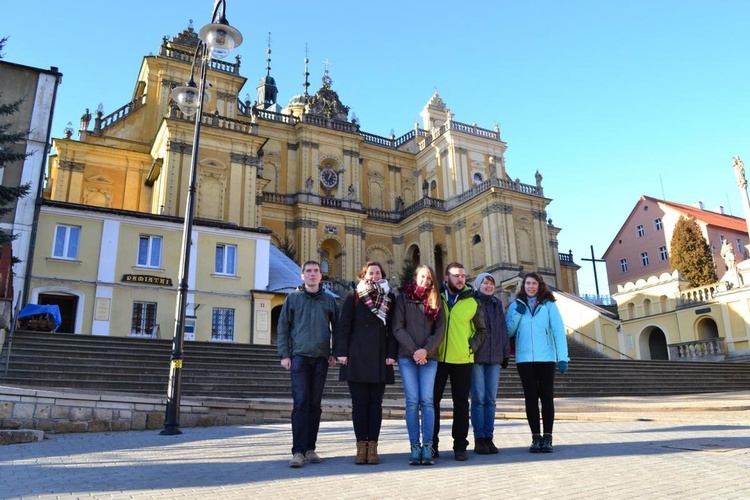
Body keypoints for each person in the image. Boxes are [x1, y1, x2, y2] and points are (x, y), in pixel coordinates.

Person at [334, 261, 398, 465]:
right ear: (364, 275)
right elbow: (343, 325)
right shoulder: (355, 295)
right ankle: (361, 447)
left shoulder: (390, 297)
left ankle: (373, 448)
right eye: (371, 273)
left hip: (380, 356)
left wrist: (391, 353)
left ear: (382, 275)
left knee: (376, 405)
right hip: (356, 355)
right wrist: (341, 352)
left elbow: (393, 328)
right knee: (359, 405)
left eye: (378, 272)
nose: (375, 275)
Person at [277, 261, 339, 468]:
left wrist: (335, 354)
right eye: (308, 271)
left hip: (321, 358)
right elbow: (283, 327)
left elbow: (337, 330)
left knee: (315, 405)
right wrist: (284, 354)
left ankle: (310, 449)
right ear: (302, 275)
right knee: (301, 403)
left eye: (316, 271)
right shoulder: (293, 298)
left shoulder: (329, 301)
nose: (312, 274)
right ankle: (298, 451)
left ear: (321, 276)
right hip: (299, 357)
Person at [506, 272, 569, 453]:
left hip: (546, 358)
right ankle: (535, 437)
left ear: (539, 285)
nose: (531, 287)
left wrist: (563, 357)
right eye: (527, 284)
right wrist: (517, 314)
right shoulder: (516, 305)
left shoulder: (549, 305)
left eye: (534, 283)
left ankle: (548, 437)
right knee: (530, 398)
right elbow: (508, 331)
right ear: (523, 286)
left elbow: (558, 330)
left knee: (547, 397)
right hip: (524, 359)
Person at [392, 264, 446, 465]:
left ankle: (428, 446)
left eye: (429, 278)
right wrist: (415, 350)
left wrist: (426, 350)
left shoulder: (435, 300)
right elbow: (397, 328)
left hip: (429, 357)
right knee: (412, 401)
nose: (425, 281)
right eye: (422, 277)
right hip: (408, 356)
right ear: (415, 277)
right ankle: (414, 446)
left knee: (427, 401)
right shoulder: (403, 298)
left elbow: (440, 330)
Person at [432, 262, 486, 461]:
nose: (460, 279)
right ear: (446, 277)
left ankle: (460, 446)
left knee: (461, 404)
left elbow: (481, 330)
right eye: (456, 275)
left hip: (463, 359)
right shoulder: (436, 297)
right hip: (437, 359)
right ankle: (432, 444)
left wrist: (470, 347)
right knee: (432, 403)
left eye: (463, 275)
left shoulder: (472, 300)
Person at [470, 272, 510, 455]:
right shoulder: (472, 301)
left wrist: (505, 353)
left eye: (491, 284)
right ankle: (479, 438)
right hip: (476, 357)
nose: (488, 286)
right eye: (485, 283)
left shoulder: (497, 303)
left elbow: (502, 329)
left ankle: (489, 437)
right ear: (478, 285)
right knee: (478, 399)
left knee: (491, 400)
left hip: (494, 357)